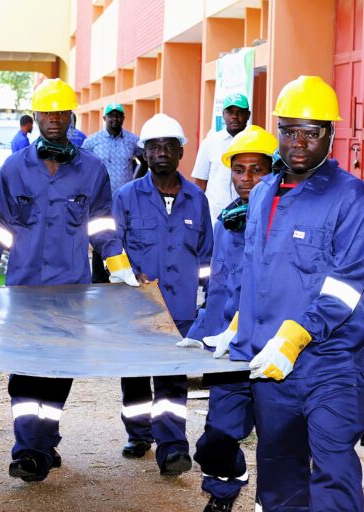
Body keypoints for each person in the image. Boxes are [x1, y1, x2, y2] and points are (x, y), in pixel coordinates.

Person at [0, 78, 140, 483]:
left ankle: (44, 438)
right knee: (24, 371)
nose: (53, 120)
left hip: (71, 290)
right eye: (46, 113)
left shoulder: (92, 169)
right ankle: (28, 450)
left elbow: (101, 224)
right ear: (36, 119)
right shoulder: (16, 168)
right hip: (24, 289)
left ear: (71, 117)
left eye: (60, 113)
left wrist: (119, 264)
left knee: (57, 370)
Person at [227, 76, 364, 511]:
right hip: (271, 365)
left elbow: (347, 283)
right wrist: (239, 325)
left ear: (330, 136)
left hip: (331, 364)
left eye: (311, 133)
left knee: (333, 470)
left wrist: (296, 336)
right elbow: (255, 273)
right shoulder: (260, 195)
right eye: (290, 130)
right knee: (278, 470)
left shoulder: (351, 196)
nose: (298, 143)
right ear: (277, 129)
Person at [178, 125, 277, 512]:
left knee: (278, 441)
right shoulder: (227, 221)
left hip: (275, 352)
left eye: (257, 169)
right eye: (239, 170)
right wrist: (201, 332)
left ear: (275, 170)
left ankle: (271, 503)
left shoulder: (285, 222)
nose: (247, 179)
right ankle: (227, 483)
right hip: (230, 353)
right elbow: (218, 287)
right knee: (217, 436)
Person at [113, 113, 213, 476]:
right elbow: (111, 249)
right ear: (144, 153)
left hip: (181, 309)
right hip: (137, 308)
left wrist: (206, 302)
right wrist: (123, 274)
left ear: (181, 152)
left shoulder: (197, 200)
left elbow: (207, 259)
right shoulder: (126, 197)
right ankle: (139, 433)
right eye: (154, 147)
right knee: (136, 374)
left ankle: (172, 447)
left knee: (173, 378)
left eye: (169, 146)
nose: (162, 153)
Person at [83, 103, 145, 283]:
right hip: (99, 200)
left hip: (125, 200)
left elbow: (144, 161)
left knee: (123, 235)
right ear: (104, 118)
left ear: (123, 119)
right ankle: (99, 277)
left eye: (118, 116)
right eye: (111, 116)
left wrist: (134, 182)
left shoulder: (133, 141)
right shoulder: (92, 142)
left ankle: (124, 273)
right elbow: (82, 169)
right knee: (100, 234)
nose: (115, 119)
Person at [191, 93, 251, 226]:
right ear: (223, 115)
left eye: (239, 112)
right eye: (230, 112)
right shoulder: (210, 142)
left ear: (248, 115)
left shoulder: (255, 143)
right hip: (214, 219)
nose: (234, 116)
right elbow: (199, 184)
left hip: (248, 218)